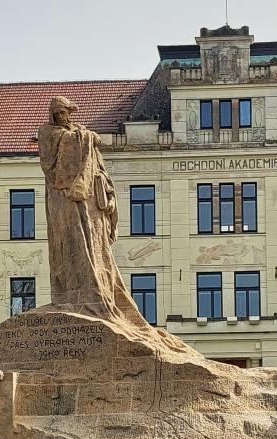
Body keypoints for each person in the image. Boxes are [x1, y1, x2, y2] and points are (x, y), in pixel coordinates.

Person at [38, 96, 192, 354]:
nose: (65, 117)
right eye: (61, 113)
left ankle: (99, 290)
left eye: (67, 112)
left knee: (97, 250)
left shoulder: (79, 135)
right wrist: (85, 138)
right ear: (54, 114)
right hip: (67, 199)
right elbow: (53, 162)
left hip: (91, 201)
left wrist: (107, 194)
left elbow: (101, 171)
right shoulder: (49, 133)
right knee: (73, 243)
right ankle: (79, 292)